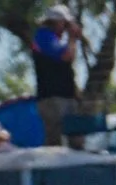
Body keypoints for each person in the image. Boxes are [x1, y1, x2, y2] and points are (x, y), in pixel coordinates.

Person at [31, 5, 83, 146]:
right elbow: (66, 56)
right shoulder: (44, 36)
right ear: (57, 22)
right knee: (55, 142)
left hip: (66, 96)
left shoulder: (58, 40)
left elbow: (69, 58)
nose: (66, 26)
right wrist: (72, 37)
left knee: (76, 138)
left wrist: (73, 38)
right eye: (65, 23)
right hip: (52, 97)